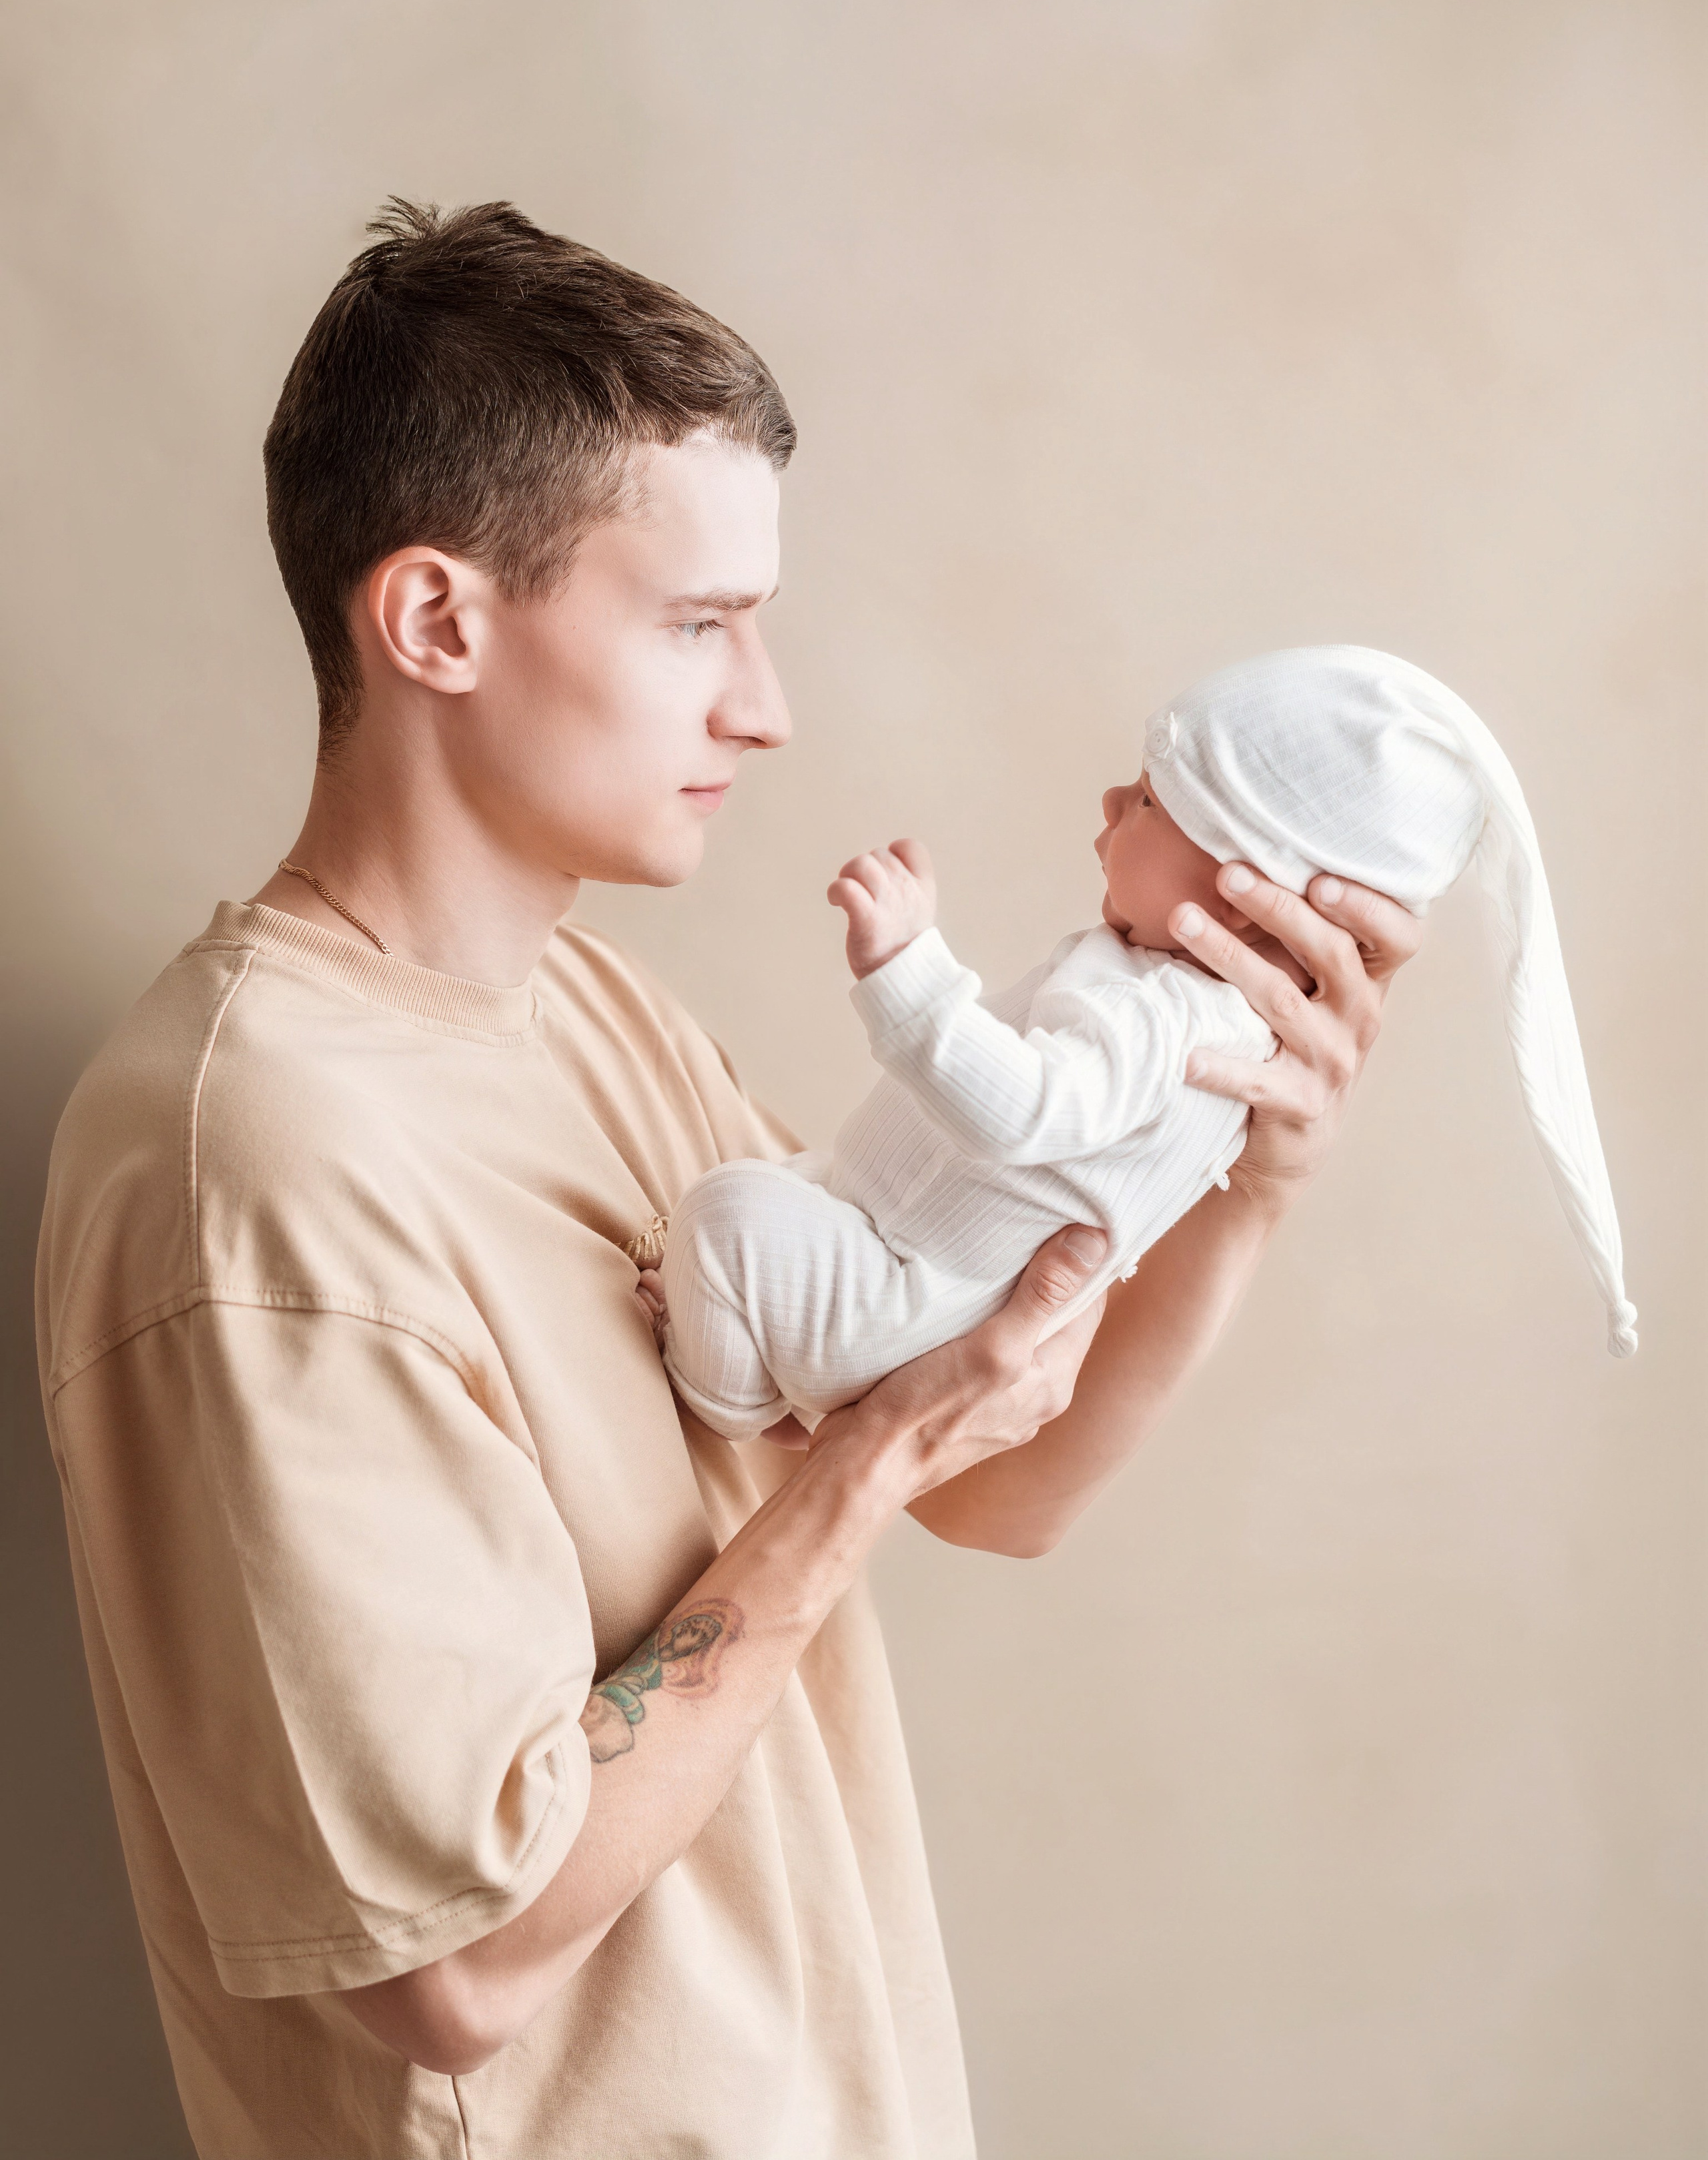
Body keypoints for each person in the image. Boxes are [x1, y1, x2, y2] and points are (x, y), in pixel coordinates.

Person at [35, 200, 1423, 2160]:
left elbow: (993, 1477)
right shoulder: (250, 1165)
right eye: (696, 624)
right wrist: (857, 1474)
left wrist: (1244, 1178)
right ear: (435, 620)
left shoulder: (589, 1011)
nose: (762, 704)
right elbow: (460, 1959)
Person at [661, 645, 1636, 1441]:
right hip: (892, 1252)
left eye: (1150, 802)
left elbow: (1026, 1111)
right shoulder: (1168, 996)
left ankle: (728, 1396)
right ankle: (772, 1377)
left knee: (725, 1210)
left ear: (1251, 897)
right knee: (773, 1192)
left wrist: (909, 969)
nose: (1109, 804)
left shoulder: (1174, 1019)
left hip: (905, 1285)